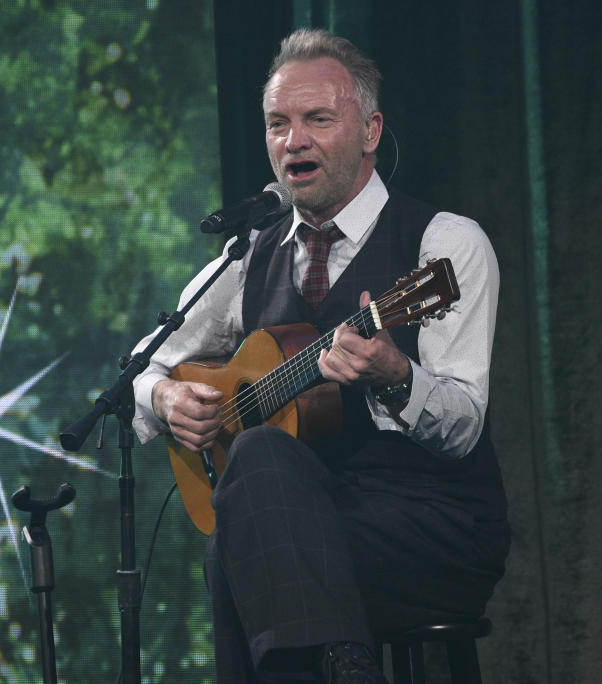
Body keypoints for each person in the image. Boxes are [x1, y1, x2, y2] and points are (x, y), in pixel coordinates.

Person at [132, 28, 509, 683]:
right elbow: (145, 361)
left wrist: (395, 377)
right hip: (311, 528)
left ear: (370, 131)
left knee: (241, 534)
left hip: (427, 529)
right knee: (253, 488)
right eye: (277, 123)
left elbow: (464, 425)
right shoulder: (248, 256)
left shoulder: (442, 246)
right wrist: (165, 399)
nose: (293, 140)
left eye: (317, 119)